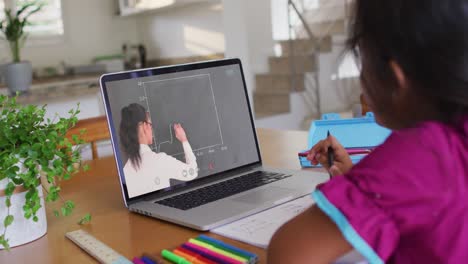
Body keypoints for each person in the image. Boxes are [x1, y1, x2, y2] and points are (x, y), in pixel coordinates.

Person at [268, 0, 468, 263]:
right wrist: (356, 182)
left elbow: (288, 255)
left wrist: (365, 187)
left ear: (396, 79)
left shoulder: (421, 154)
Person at [119, 103, 198, 197]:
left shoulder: (125, 171)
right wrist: (184, 140)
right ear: (145, 126)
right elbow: (192, 172)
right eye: (150, 124)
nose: (152, 129)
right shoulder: (159, 160)